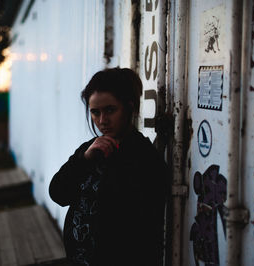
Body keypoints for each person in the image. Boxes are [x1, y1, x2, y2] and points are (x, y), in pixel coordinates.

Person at [49, 67, 168, 265]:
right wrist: (84, 160)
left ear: (129, 107)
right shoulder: (89, 150)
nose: (102, 121)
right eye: (95, 112)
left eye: (110, 110)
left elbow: (140, 230)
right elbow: (58, 193)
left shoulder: (143, 157)